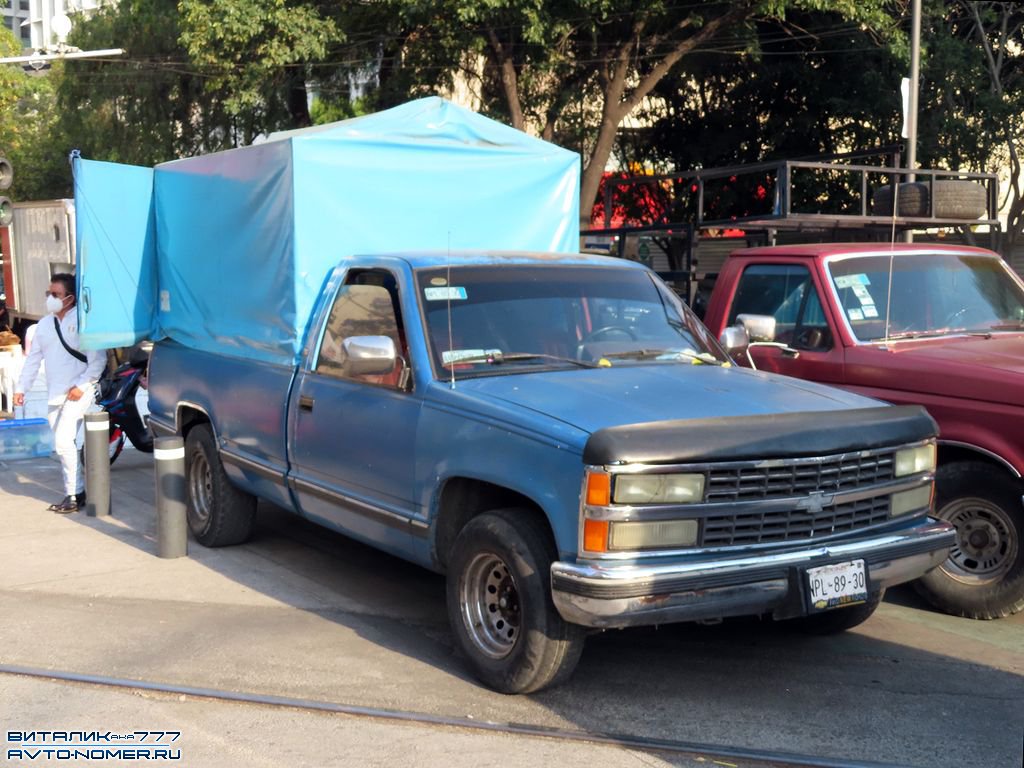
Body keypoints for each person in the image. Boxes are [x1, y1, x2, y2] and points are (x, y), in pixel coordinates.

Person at [13, 274, 106, 513]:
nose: (50, 298)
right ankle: (77, 491)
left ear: (69, 298)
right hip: (55, 393)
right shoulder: (44, 325)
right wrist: (21, 388)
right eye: (48, 294)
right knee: (61, 443)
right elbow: (33, 360)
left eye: (55, 294)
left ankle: (74, 495)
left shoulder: (85, 323)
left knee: (64, 441)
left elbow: (98, 361)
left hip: (79, 390)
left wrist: (82, 386)